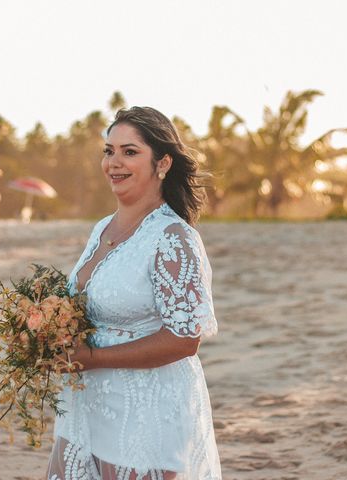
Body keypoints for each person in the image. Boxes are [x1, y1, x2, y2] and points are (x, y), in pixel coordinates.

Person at [46, 107, 221, 479]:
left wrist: (91, 357)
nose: (114, 163)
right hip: (86, 406)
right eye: (109, 151)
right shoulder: (101, 228)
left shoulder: (173, 238)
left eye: (130, 152)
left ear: (163, 163)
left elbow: (184, 339)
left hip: (145, 411)